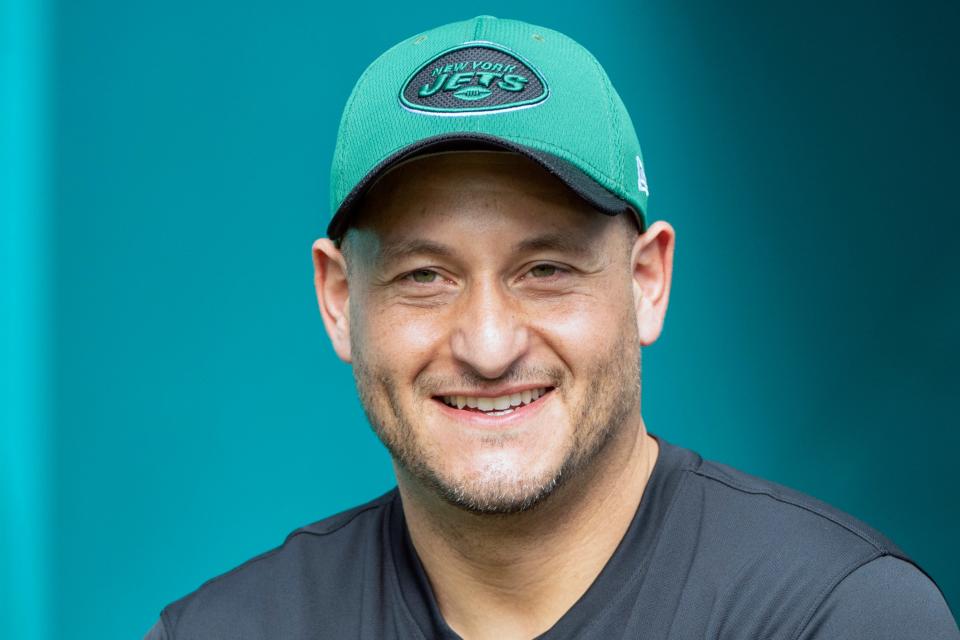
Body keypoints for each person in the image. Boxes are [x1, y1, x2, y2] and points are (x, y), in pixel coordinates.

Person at [145, 15, 959, 640]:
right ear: (337, 299)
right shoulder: (230, 630)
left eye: (547, 271)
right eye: (424, 277)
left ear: (647, 281)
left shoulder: (832, 618)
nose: (489, 345)